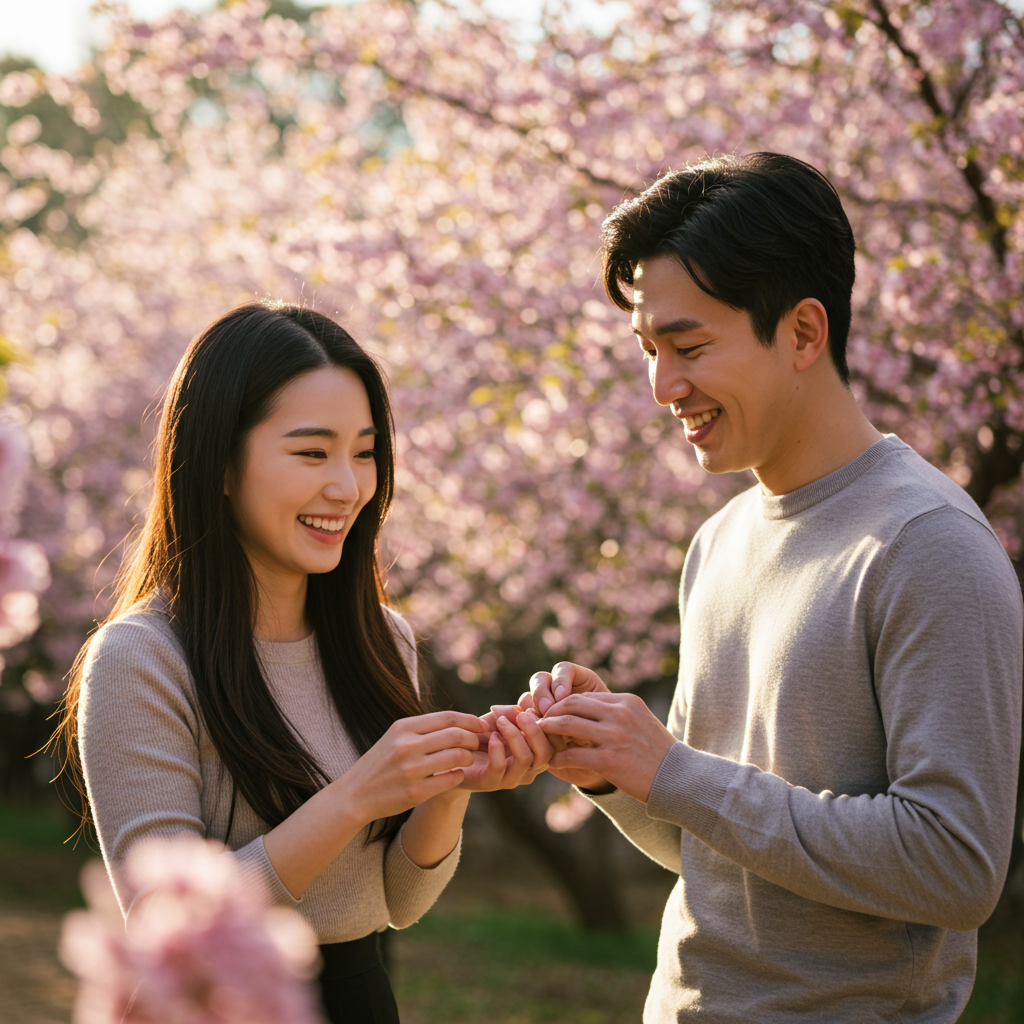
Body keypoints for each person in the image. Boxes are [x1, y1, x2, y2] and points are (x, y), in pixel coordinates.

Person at [521, 153, 1023, 1022]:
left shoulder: (927, 545)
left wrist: (674, 769)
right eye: (649, 349)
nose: (662, 386)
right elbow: (708, 843)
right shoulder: (719, 541)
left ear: (801, 333)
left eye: (688, 345)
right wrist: (612, 769)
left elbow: (954, 866)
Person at [52, 303, 546, 1024]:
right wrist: (355, 796)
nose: (347, 487)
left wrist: (449, 789)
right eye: (313, 453)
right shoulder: (142, 658)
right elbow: (166, 923)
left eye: (364, 452)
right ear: (219, 463)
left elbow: (395, 904)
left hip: (358, 997)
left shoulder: (384, 639)